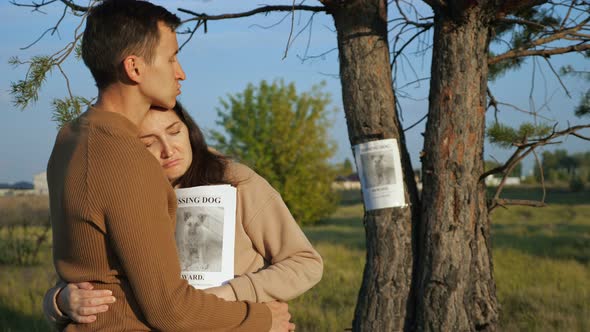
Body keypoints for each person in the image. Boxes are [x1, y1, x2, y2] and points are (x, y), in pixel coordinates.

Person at [46, 0, 293, 331]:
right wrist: (262, 319)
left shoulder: (69, 137)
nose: (181, 72)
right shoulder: (127, 159)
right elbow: (172, 310)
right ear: (134, 68)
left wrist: (58, 299)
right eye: (171, 58)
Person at [44, 102, 324, 324]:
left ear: (189, 130)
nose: (168, 150)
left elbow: (305, 263)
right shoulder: (124, 194)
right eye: (148, 142)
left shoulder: (236, 181)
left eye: (174, 131)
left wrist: (232, 293)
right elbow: (90, 275)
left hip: (242, 321)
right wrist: (61, 301)